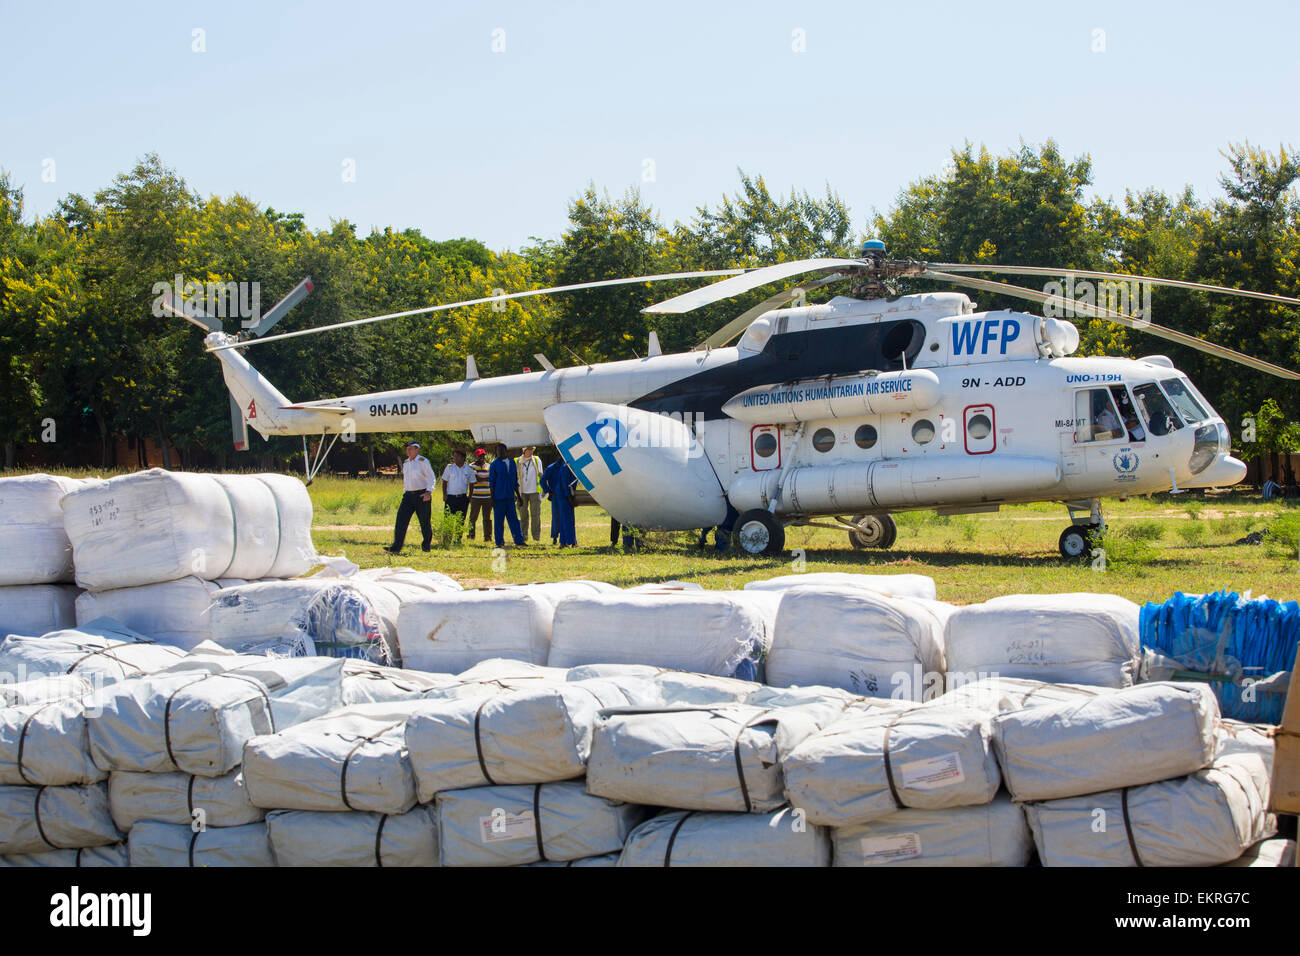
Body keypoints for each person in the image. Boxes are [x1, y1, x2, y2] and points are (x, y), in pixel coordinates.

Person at [385, 441, 435, 554]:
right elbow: (406, 480)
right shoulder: (406, 463)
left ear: (417, 449)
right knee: (401, 521)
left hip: (422, 495)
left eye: (411, 448)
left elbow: (431, 477)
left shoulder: (423, 462)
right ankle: (396, 547)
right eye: (407, 448)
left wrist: (428, 492)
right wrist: (405, 492)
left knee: (424, 522)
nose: (408, 451)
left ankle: (426, 546)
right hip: (408, 495)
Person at [488, 442, 525, 547]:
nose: (499, 452)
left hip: (510, 497)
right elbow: (491, 482)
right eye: (497, 451)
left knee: (514, 521)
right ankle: (499, 542)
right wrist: (492, 498)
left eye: (501, 450)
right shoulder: (494, 464)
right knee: (499, 522)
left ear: (506, 451)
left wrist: (518, 496)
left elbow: (514, 481)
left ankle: (519, 541)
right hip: (498, 498)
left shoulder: (512, 463)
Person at [440, 448, 474, 540]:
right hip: (450, 498)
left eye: (457, 456)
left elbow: (472, 483)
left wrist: (469, 497)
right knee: (448, 519)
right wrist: (444, 494)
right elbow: (444, 481)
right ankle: (447, 539)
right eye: (454, 456)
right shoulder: (449, 468)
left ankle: (457, 540)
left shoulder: (469, 469)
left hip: (462, 498)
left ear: (463, 458)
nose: (454, 458)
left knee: (460, 519)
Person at [543, 457, 577, 547]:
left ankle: (561, 539)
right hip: (564, 495)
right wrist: (570, 496)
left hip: (556, 494)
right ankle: (567, 542)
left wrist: (549, 491)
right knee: (567, 519)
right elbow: (566, 482)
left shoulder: (553, 467)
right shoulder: (566, 466)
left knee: (558, 518)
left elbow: (543, 480)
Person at [516, 446, 544, 543]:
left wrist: (544, 489)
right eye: (529, 449)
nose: (531, 451)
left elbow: (541, 475)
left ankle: (536, 537)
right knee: (523, 515)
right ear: (524, 450)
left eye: (532, 449)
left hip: (535, 491)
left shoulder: (536, 460)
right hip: (522, 492)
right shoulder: (517, 461)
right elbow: (515, 477)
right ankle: (524, 536)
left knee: (535, 515)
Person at [466, 448, 493, 541]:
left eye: (483, 455)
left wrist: (482, 478)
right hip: (475, 496)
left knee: (487, 518)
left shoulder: (489, 466)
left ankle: (488, 537)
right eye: (479, 455)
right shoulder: (471, 466)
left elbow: (492, 478)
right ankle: (471, 535)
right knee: (473, 517)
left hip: (488, 496)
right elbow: (476, 479)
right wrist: (487, 478)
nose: (481, 457)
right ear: (476, 456)